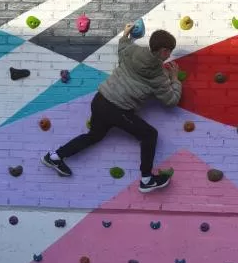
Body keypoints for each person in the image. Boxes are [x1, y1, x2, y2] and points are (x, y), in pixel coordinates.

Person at [42, 22, 182, 192]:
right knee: (149, 135)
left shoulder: (133, 51)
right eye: (169, 51)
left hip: (100, 99)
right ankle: (146, 179)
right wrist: (174, 79)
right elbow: (171, 101)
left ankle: (55, 156)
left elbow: (122, 48)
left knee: (94, 136)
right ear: (163, 51)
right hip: (117, 109)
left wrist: (125, 35)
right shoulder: (158, 75)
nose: (169, 55)